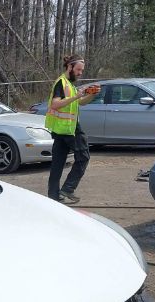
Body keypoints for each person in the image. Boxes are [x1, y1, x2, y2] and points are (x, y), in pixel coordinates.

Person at [45, 54, 99, 204]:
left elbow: (81, 103)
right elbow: (55, 104)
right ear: (70, 67)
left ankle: (53, 197)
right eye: (78, 70)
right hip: (69, 130)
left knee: (58, 164)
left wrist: (91, 95)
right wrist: (76, 97)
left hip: (62, 129)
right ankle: (68, 189)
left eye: (82, 70)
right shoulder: (61, 83)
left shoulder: (69, 84)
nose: (80, 73)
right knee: (83, 157)